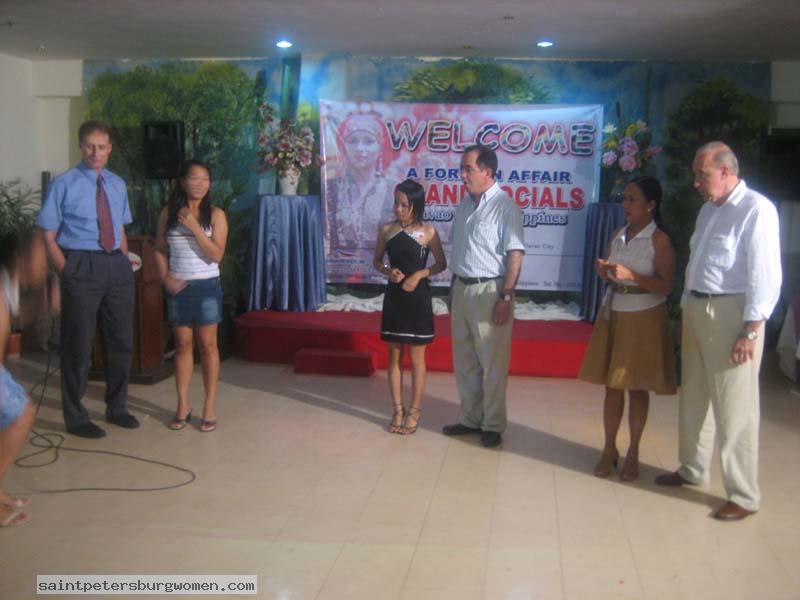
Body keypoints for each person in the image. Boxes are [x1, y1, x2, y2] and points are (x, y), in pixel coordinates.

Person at [655, 142, 782, 521]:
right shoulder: (709, 210)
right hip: (698, 309)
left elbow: (765, 275)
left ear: (726, 171)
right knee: (694, 397)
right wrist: (685, 310)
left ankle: (743, 495)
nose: (696, 182)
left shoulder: (756, 209)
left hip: (732, 315)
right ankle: (692, 468)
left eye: (702, 174)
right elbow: (697, 265)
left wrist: (751, 330)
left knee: (735, 409)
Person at [36, 120, 139, 439]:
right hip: (81, 264)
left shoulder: (117, 184)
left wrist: (124, 261)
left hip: (116, 265)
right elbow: (47, 234)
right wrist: (66, 269)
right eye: (90, 146)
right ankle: (76, 416)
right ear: (81, 146)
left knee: (121, 342)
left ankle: (117, 407)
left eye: (102, 146)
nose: (96, 152)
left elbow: (119, 228)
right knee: (78, 344)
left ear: (110, 149)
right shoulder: (63, 184)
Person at [578, 176, 676, 482]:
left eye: (633, 200)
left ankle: (633, 452)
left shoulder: (659, 239)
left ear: (651, 205)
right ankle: (609, 448)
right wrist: (606, 272)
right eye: (624, 199)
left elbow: (666, 285)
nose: (626, 205)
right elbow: (615, 274)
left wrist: (632, 276)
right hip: (616, 311)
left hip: (644, 315)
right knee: (612, 386)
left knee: (637, 386)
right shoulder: (618, 234)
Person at [442, 144, 524, 448]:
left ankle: (492, 424)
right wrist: (453, 288)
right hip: (462, 288)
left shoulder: (505, 206)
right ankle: (470, 418)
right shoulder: (464, 206)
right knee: (465, 361)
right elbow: (460, 251)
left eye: (468, 169)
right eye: (461, 169)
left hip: (491, 291)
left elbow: (515, 254)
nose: (462, 175)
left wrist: (506, 297)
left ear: (487, 172)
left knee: (492, 364)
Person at [154, 160, 228, 433]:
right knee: (183, 345)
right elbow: (159, 249)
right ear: (183, 182)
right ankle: (183, 404)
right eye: (194, 178)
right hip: (179, 287)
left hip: (207, 286)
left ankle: (209, 406)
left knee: (208, 346)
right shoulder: (168, 213)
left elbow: (217, 254)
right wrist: (166, 278)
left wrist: (195, 227)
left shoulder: (216, 214)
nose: (199, 184)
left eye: (205, 179)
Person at [373, 179, 447, 434]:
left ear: (416, 204)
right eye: (396, 203)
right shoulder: (386, 230)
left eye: (405, 204)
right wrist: (388, 271)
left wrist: (419, 274)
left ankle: (414, 411)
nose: (398, 209)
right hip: (394, 298)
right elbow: (377, 262)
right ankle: (397, 409)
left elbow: (441, 264)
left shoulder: (428, 232)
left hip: (418, 300)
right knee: (394, 356)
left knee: (417, 358)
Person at [0, 229, 48, 527]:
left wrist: (44, 304)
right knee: (21, 415)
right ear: (21, 259)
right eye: (41, 258)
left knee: (20, 411)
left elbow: (16, 319)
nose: (45, 266)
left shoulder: (10, 285)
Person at [325, 111, 395, 278]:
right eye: (352, 141)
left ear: (380, 147)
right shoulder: (331, 187)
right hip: (338, 275)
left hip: (381, 276)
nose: (359, 149)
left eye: (369, 141)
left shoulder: (392, 189)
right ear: (343, 146)